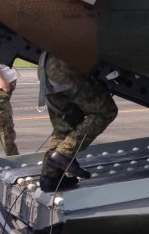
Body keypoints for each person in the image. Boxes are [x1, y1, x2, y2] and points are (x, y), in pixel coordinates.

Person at [39, 53, 119, 192]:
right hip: (66, 67)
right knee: (106, 111)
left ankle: (50, 177)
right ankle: (64, 153)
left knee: (64, 126)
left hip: (46, 65)